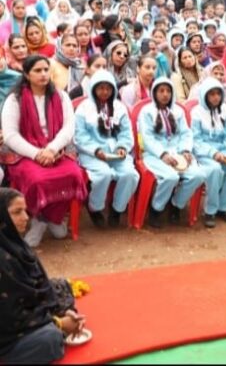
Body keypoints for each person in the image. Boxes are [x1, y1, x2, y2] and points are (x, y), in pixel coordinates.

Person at [1, 55, 88, 247]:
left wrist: (51, 149)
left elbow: (68, 128)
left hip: (56, 150)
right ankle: (40, 220)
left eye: (46, 70)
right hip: (25, 153)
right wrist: (36, 153)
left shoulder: (61, 96)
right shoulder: (14, 100)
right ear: (26, 74)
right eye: (37, 71)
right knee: (37, 179)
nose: (43, 74)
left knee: (74, 174)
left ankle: (52, 218)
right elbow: (10, 135)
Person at [0, 188, 87, 364]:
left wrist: (62, 311)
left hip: (22, 313)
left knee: (61, 286)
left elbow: (37, 286)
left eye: (25, 210)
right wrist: (59, 323)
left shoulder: (14, 244)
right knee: (50, 339)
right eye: (17, 212)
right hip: (6, 330)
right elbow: (10, 315)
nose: (25, 217)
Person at [74, 70, 139, 228]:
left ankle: (117, 209)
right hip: (92, 153)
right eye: (100, 88)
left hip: (116, 153)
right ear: (93, 89)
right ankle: (95, 208)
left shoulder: (119, 107)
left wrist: (122, 147)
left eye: (108, 88)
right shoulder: (83, 108)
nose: (104, 92)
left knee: (131, 174)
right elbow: (79, 136)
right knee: (103, 174)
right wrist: (96, 151)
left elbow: (126, 132)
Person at [138, 77, 205, 228]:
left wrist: (186, 150)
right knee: (170, 177)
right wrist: (163, 155)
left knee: (198, 175)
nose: (165, 94)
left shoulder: (178, 111)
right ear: (154, 93)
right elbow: (147, 138)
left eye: (168, 91)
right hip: (155, 154)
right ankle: (156, 208)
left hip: (178, 152)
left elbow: (186, 134)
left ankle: (176, 205)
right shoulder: (146, 112)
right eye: (161, 91)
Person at [191, 78, 226, 228]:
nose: (215, 97)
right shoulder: (197, 112)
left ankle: (224, 207)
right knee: (215, 170)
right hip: (205, 154)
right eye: (211, 94)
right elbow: (196, 140)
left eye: (218, 94)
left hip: (223, 151)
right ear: (204, 95)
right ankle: (210, 210)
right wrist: (213, 153)